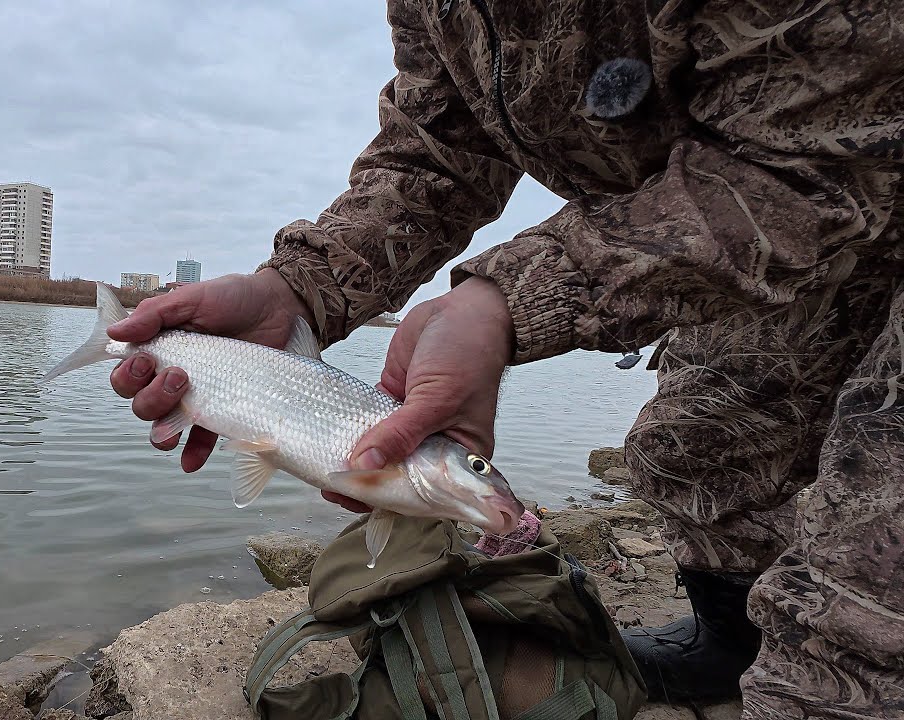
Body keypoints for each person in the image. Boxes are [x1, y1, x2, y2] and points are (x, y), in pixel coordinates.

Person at [106, 1, 902, 718]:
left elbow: (804, 163)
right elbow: (431, 156)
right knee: (698, 450)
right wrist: (300, 288)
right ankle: (731, 646)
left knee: (867, 584)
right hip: (722, 256)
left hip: (841, 186)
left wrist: (504, 303)